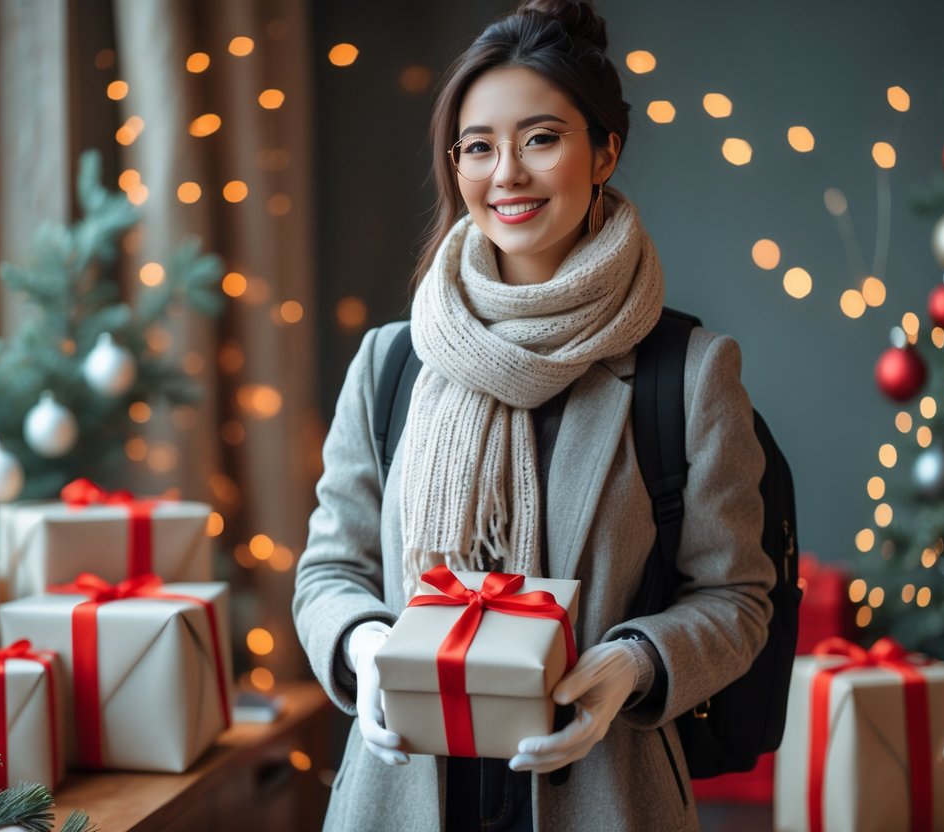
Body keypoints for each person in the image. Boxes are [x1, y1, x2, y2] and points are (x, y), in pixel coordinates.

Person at [292, 1, 775, 829]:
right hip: (400, 795)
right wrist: (367, 653)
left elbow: (736, 598)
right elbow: (328, 573)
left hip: (604, 788)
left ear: (604, 152)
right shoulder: (390, 363)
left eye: (540, 138)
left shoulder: (688, 373)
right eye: (478, 146)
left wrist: (628, 667)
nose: (506, 173)